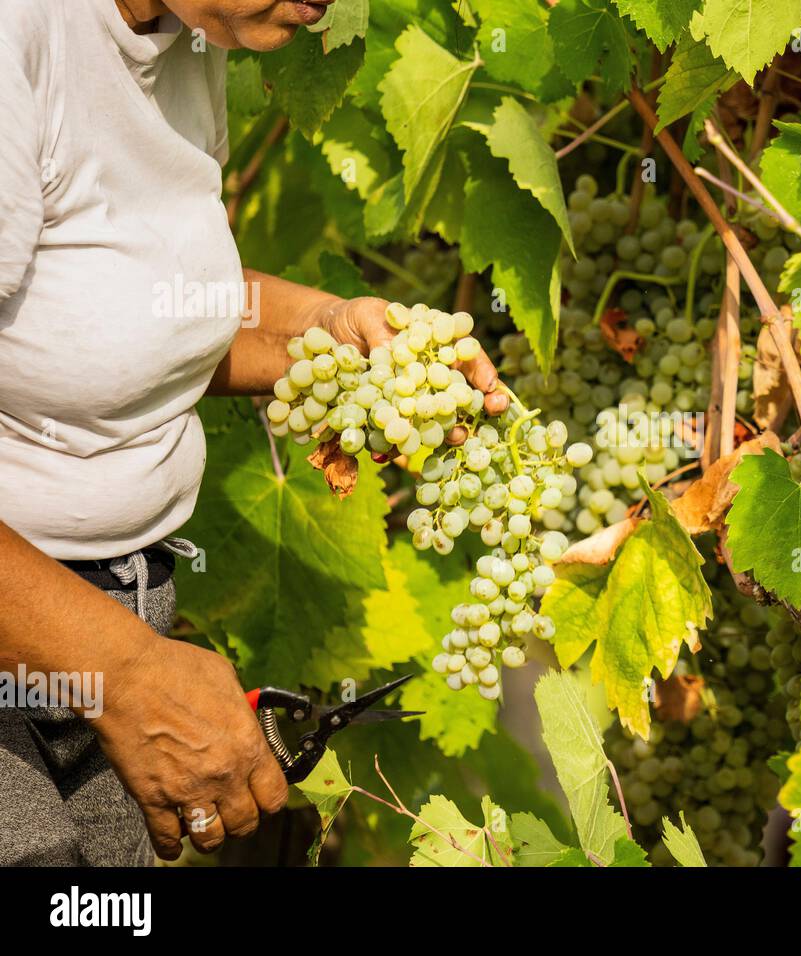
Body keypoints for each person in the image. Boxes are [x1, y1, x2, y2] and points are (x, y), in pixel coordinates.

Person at [0, 0, 507, 865]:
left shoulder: (192, 34)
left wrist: (333, 331)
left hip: (126, 615)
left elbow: (129, 315)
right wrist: (123, 675)